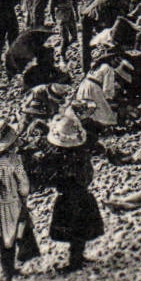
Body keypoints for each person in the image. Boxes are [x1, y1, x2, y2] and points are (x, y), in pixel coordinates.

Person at [32, 113, 104, 272]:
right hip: (84, 195)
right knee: (81, 231)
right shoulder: (82, 151)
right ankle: (79, 257)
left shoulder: (60, 158)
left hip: (68, 198)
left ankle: (75, 262)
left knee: (73, 230)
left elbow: (49, 174)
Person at [0, 121, 39, 281]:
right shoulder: (14, 160)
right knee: (13, 236)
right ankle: (13, 269)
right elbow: (23, 183)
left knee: (3, 239)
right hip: (12, 202)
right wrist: (24, 195)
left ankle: (7, 270)